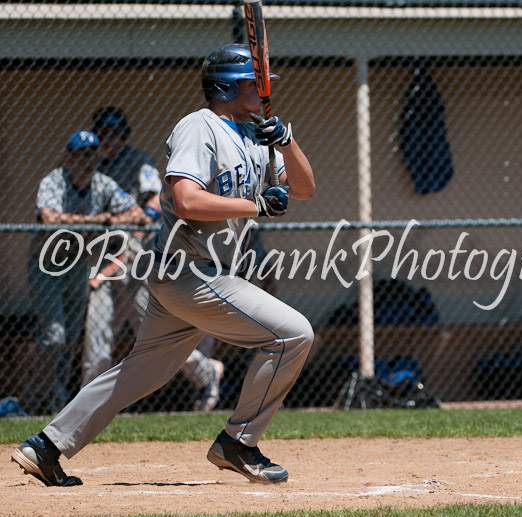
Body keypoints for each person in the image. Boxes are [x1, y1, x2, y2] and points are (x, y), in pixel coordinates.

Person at [11, 43, 316, 487]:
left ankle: (45, 446)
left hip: (197, 274)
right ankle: (238, 442)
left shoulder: (255, 137)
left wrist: (286, 142)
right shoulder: (199, 126)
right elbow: (185, 199)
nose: (265, 89)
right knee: (294, 334)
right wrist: (256, 205)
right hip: (190, 270)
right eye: (255, 82)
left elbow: (304, 189)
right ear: (227, 86)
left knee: (142, 372)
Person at [84, 106, 225, 412]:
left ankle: (205, 372)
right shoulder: (95, 169)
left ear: (123, 135)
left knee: (151, 329)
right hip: (105, 256)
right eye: (103, 133)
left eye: (114, 133)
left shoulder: (139, 161)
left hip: (135, 256)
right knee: (97, 329)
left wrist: (138, 222)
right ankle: (87, 403)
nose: (109, 139)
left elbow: (155, 202)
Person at [25, 130, 148, 414]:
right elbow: (49, 218)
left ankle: (56, 402)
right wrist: (95, 220)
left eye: (92, 154)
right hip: (46, 263)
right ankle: (35, 399)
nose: (87, 160)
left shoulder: (102, 183)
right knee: (54, 336)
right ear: (69, 158)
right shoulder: (55, 180)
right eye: (81, 155)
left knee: (69, 340)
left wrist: (110, 220)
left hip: (77, 264)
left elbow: (137, 213)